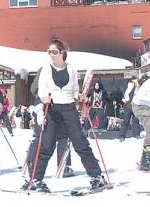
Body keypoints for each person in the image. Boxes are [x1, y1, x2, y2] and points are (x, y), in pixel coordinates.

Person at [25, 38, 107, 192]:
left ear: (62, 53)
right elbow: (41, 89)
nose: (51, 55)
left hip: (69, 109)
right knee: (47, 144)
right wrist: (43, 97)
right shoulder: (46, 69)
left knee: (80, 143)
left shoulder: (71, 69)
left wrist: (80, 96)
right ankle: (36, 179)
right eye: (49, 52)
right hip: (52, 109)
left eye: (54, 52)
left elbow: (74, 89)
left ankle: (97, 176)